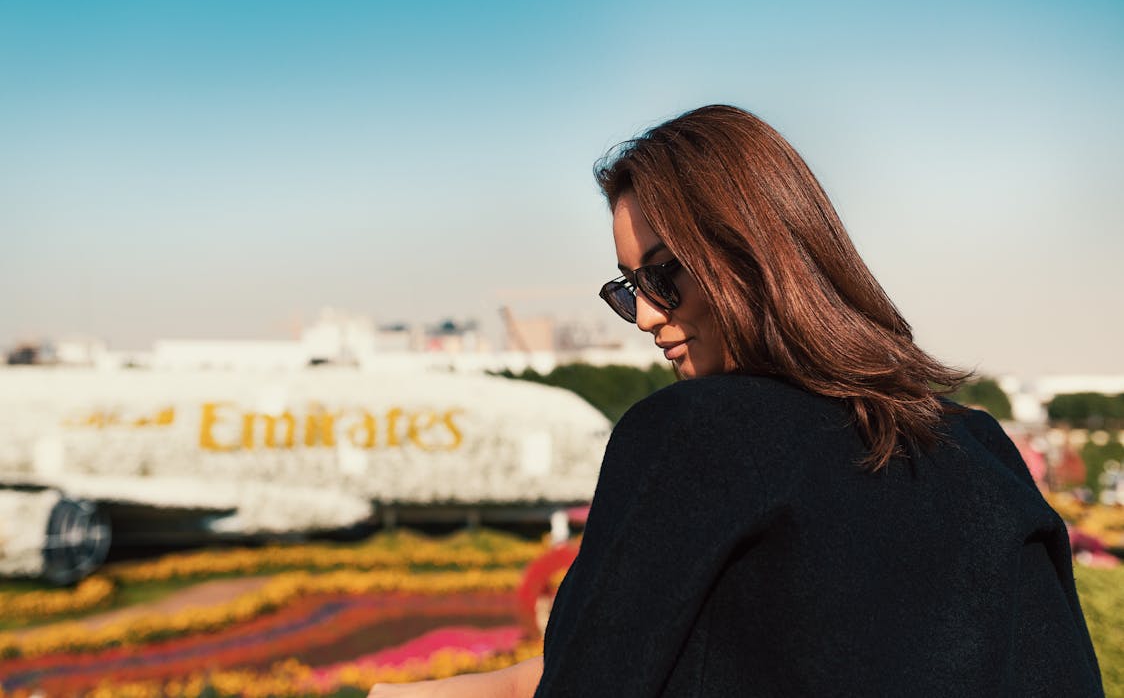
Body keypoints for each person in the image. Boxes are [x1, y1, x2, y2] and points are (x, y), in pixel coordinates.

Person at [371, 105, 1103, 697]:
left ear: (749, 255)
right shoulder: (979, 451)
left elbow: (595, 677)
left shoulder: (698, 433)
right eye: (629, 289)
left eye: (663, 276)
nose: (649, 316)